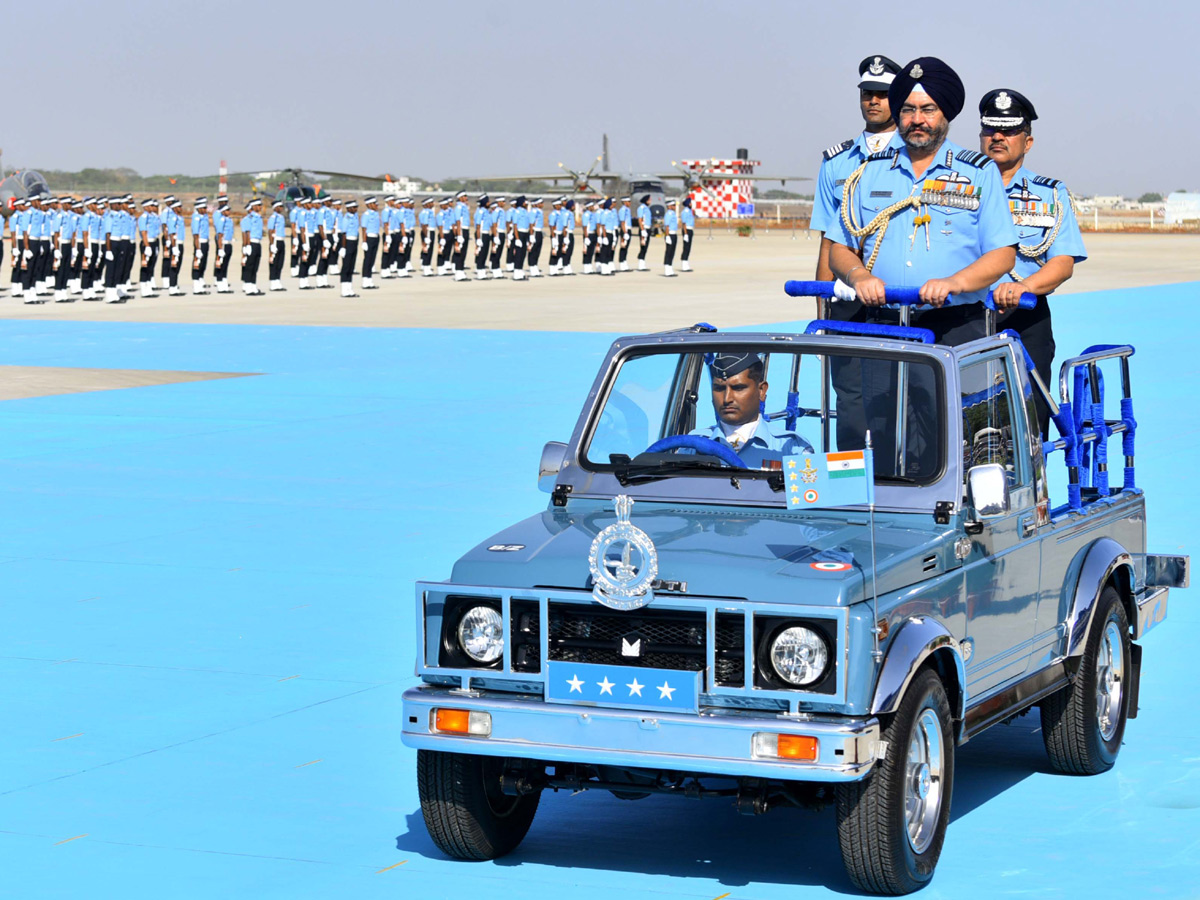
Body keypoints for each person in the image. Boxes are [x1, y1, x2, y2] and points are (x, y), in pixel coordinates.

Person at [829, 56, 1018, 347]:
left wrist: (955, 282)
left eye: (928, 109)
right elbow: (840, 247)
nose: (917, 119)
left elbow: (1003, 254)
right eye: (908, 110)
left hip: (956, 324)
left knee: (953, 395)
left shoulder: (979, 172)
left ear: (946, 115)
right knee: (881, 395)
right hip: (882, 325)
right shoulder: (867, 172)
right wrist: (859, 277)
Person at [979, 88, 1086, 436]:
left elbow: (1063, 262)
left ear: (1028, 142)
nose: (998, 137)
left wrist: (1022, 287)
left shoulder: (1049, 195)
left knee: (1027, 424)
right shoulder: (957, 189)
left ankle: (1032, 488)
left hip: (1024, 320)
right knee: (962, 421)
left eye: (1009, 130)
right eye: (990, 129)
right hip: (964, 317)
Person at [688, 351, 812, 467]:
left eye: (738, 388)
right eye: (719, 389)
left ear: (761, 391)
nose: (727, 399)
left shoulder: (792, 449)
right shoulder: (692, 445)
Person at [137, 199, 161, 297]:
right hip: (147, 243)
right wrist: (147, 246)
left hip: (154, 241)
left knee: (151, 265)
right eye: (150, 206)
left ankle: (148, 287)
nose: (153, 207)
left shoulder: (153, 217)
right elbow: (143, 232)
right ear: (146, 207)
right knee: (145, 266)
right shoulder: (143, 217)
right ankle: (144, 288)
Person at [240, 198, 264, 295]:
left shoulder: (258, 217)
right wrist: (247, 245)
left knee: (255, 266)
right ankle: (248, 287)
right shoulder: (249, 218)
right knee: (250, 266)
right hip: (252, 243)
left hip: (258, 242)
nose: (260, 207)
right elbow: (246, 233)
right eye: (258, 205)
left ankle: (253, 286)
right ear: (253, 207)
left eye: (260, 205)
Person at [360, 196, 382, 288]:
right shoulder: (366, 215)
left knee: (372, 259)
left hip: (376, 237)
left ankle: (369, 280)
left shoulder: (376, 214)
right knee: (367, 260)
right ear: (369, 205)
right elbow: (364, 229)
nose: (376, 205)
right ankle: (365, 280)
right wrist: (364, 241)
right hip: (369, 238)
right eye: (374, 204)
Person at [340, 199, 360, 297]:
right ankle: (344, 289)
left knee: (351, 266)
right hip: (347, 242)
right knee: (346, 266)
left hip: (354, 241)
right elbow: (344, 234)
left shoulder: (355, 217)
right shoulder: (346, 218)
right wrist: (343, 247)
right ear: (349, 208)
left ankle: (349, 288)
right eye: (354, 207)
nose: (356, 209)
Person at [267, 199, 288, 291]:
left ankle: (277, 281)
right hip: (275, 241)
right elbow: (270, 231)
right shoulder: (273, 217)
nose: (282, 208)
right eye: (280, 207)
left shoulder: (281, 217)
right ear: (276, 208)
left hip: (281, 240)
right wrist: (272, 244)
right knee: (274, 263)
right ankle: (273, 282)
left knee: (280, 262)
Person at [191, 197, 211, 294]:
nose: (205, 210)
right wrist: (197, 248)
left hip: (205, 242)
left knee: (203, 263)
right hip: (199, 242)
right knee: (197, 264)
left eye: (205, 208)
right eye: (203, 208)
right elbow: (195, 234)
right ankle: (196, 286)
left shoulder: (204, 216)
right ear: (198, 208)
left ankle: (200, 283)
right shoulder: (196, 217)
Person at [473, 193, 491, 280]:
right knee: (481, 253)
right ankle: (480, 271)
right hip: (482, 234)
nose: (489, 203)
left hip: (486, 233)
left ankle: (482, 270)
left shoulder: (486, 211)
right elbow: (478, 225)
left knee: (485, 253)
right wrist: (478, 238)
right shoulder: (481, 211)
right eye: (488, 202)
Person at [489, 196, 507, 278]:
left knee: (499, 252)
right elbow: (494, 223)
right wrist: (495, 235)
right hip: (498, 233)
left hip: (501, 232)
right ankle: (495, 269)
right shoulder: (497, 211)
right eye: (503, 201)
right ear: (499, 202)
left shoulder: (501, 210)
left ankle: (496, 268)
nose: (504, 203)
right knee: (496, 252)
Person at [527, 197, 545, 277]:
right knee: (533, 251)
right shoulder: (534, 211)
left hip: (539, 231)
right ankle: (532, 268)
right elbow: (531, 224)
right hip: (534, 232)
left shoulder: (539, 211)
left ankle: (535, 266)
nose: (542, 204)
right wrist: (531, 235)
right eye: (541, 203)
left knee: (537, 251)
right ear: (537, 204)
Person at [418, 197, 436, 276]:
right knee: (427, 250)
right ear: (427, 204)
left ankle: (427, 266)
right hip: (427, 231)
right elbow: (424, 225)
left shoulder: (429, 211)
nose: (433, 204)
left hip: (430, 231)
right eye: (431, 202)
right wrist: (426, 237)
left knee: (430, 250)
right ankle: (426, 267)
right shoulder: (426, 212)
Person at [558, 199, 576, 275]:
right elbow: (565, 226)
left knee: (570, 251)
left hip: (570, 233)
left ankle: (568, 265)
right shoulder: (567, 214)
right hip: (567, 233)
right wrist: (565, 237)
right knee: (567, 251)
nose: (574, 207)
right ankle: (565, 266)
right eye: (573, 205)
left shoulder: (571, 213)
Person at [662, 198, 679, 277]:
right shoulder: (668, 214)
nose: (675, 207)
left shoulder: (672, 214)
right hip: (670, 234)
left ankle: (670, 267)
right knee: (668, 252)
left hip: (674, 234)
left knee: (672, 252)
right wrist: (667, 236)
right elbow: (667, 226)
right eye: (673, 205)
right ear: (669, 206)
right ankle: (667, 269)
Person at [636, 194, 652, 271]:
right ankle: (640, 263)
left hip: (647, 228)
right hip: (644, 228)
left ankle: (642, 261)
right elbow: (640, 219)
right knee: (643, 246)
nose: (650, 201)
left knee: (645, 247)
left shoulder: (647, 208)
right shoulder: (642, 208)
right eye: (649, 200)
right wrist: (642, 230)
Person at [547, 197, 563, 275]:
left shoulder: (560, 213)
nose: (561, 206)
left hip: (560, 233)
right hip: (555, 234)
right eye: (559, 205)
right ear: (555, 206)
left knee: (559, 251)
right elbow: (552, 226)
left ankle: (555, 267)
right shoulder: (553, 214)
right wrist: (553, 237)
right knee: (554, 251)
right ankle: (552, 268)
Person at [679, 197, 696, 272]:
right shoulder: (685, 212)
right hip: (687, 230)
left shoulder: (689, 211)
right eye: (690, 203)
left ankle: (686, 263)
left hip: (690, 229)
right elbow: (684, 224)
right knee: (686, 247)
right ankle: (684, 264)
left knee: (688, 247)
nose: (691, 204)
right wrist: (685, 234)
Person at [617, 196, 632, 272]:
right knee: (623, 247)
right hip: (624, 230)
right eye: (629, 202)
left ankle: (624, 262)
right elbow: (622, 222)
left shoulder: (628, 210)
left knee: (626, 247)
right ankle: (622, 263)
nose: (630, 203)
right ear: (625, 202)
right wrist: (625, 232)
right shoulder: (622, 210)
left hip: (628, 229)